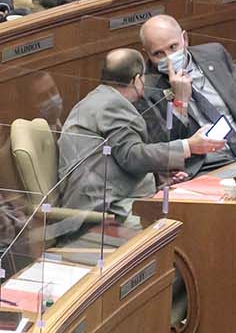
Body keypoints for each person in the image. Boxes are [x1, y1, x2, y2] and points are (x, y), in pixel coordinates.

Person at [57, 49, 214, 221]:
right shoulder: (112, 104)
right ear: (137, 80)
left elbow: (117, 159)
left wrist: (159, 178)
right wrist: (188, 146)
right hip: (103, 210)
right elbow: (132, 156)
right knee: (186, 219)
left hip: (108, 200)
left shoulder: (99, 99)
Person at [137, 15, 236, 175]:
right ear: (147, 53)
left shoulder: (214, 54)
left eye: (173, 47)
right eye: (158, 54)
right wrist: (180, 101)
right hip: (206, 167)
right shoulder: (146, 89)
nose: (169, 58)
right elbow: (165, 147)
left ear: (185, 39)